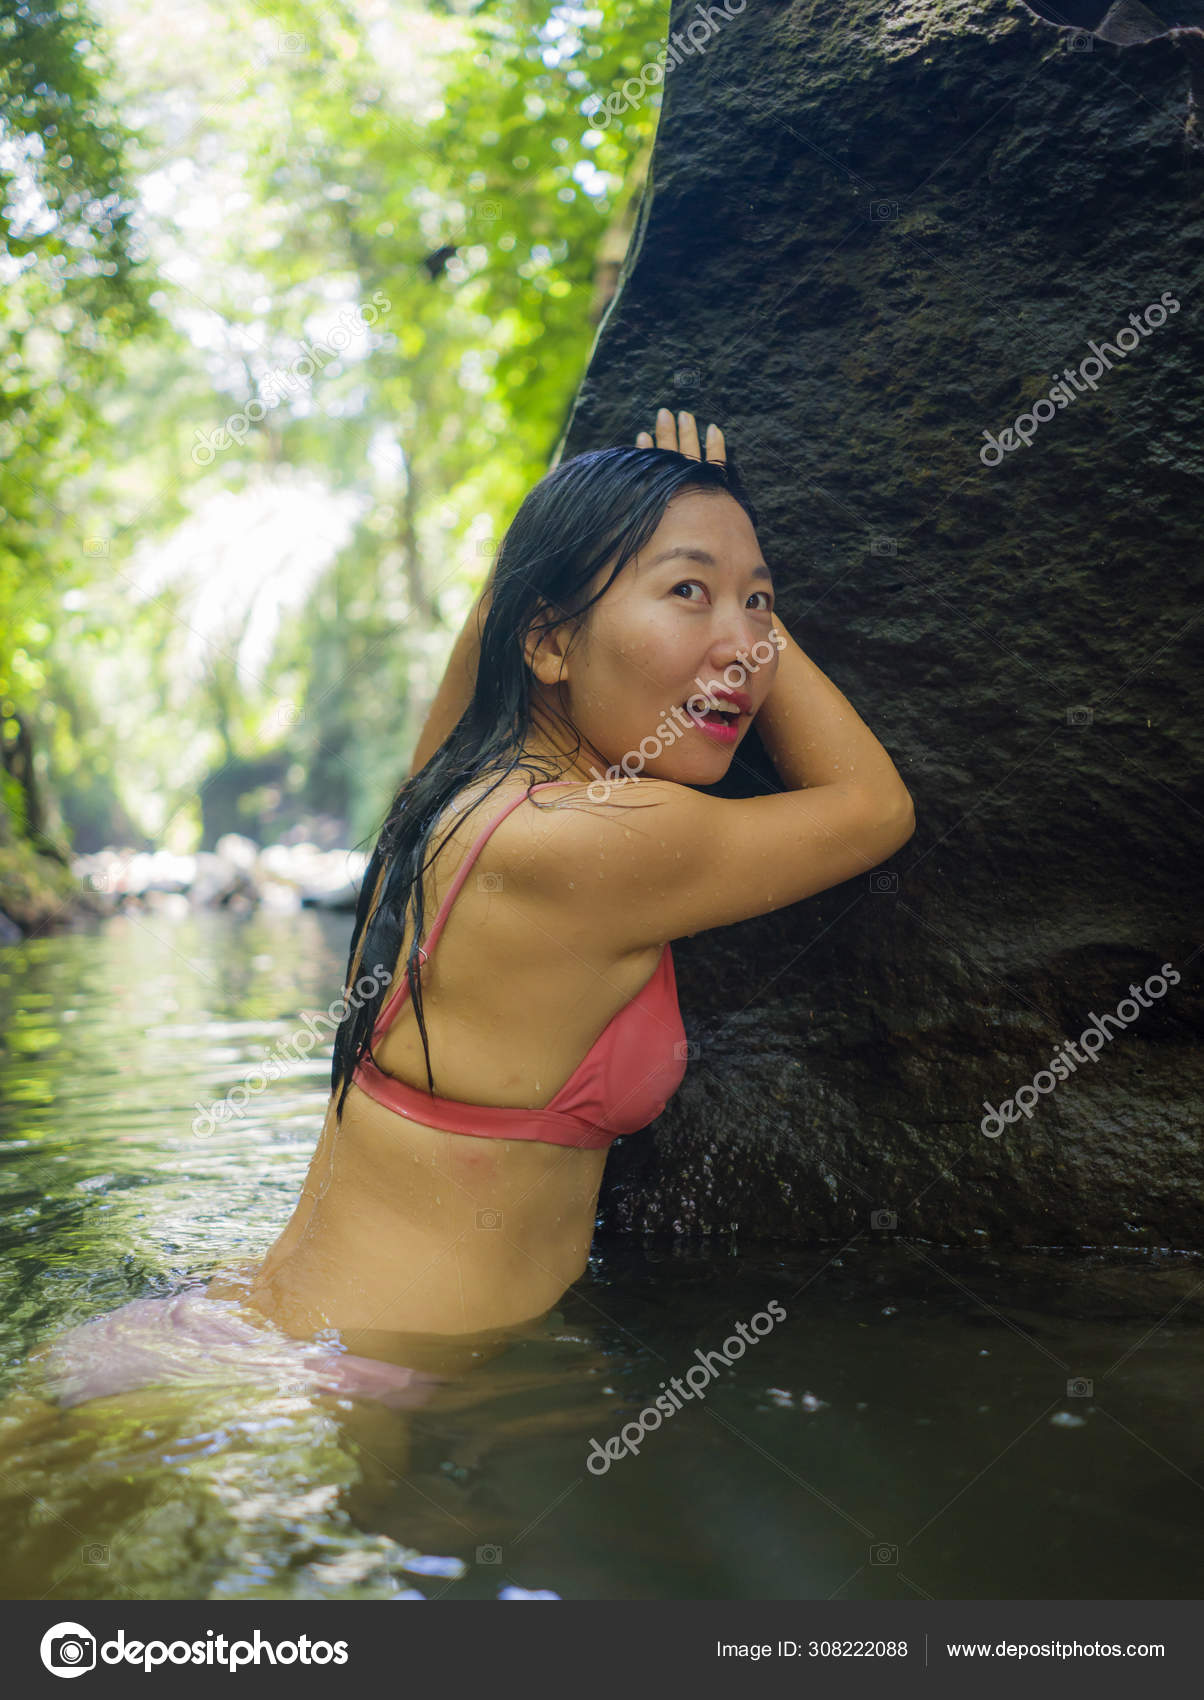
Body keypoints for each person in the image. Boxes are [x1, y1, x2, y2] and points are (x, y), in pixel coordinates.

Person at [201, 406, 915, 1372]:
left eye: (760, 602)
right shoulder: (597, 842)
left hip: (251, 1329)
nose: (746, 645)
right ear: (552, 644)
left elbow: (505, 617)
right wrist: (741, 607)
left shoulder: (446, 796)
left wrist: (629, 529)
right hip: (376, 1383)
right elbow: (874, 810)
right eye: (688, 593)